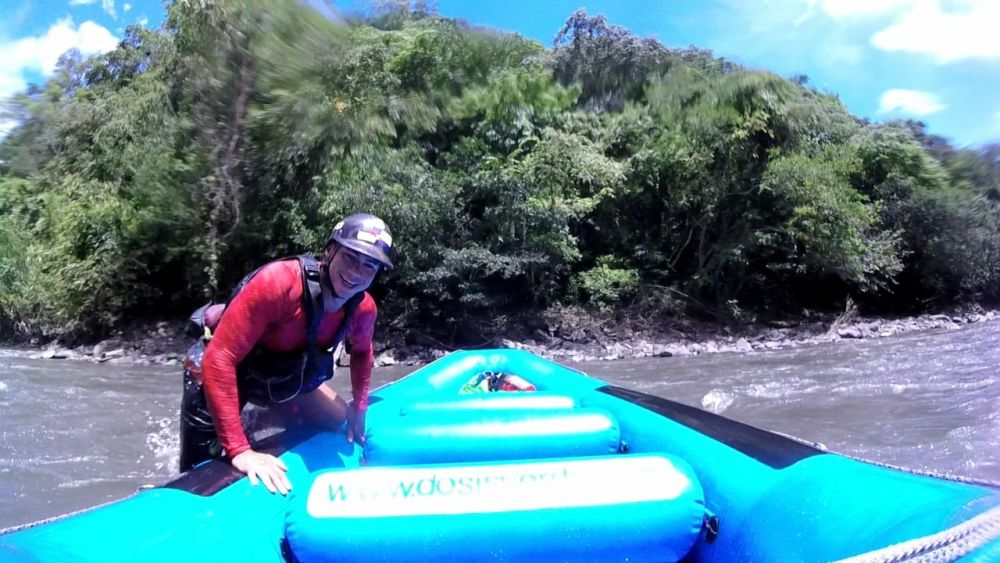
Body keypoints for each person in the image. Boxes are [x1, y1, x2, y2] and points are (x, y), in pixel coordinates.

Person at [179, 213, 393, 495]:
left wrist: (360, 407)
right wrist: (240, 451)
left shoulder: (363, 309)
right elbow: (220, 358)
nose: (355, 272)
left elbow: (362, 353)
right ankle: (233, 439)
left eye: (369, 266)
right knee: (198, 471)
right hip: (218, 368)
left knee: (338, 420)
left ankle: (254, 430)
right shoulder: (280, 283)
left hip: (281, 375)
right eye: (350, 257)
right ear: (330, 251)